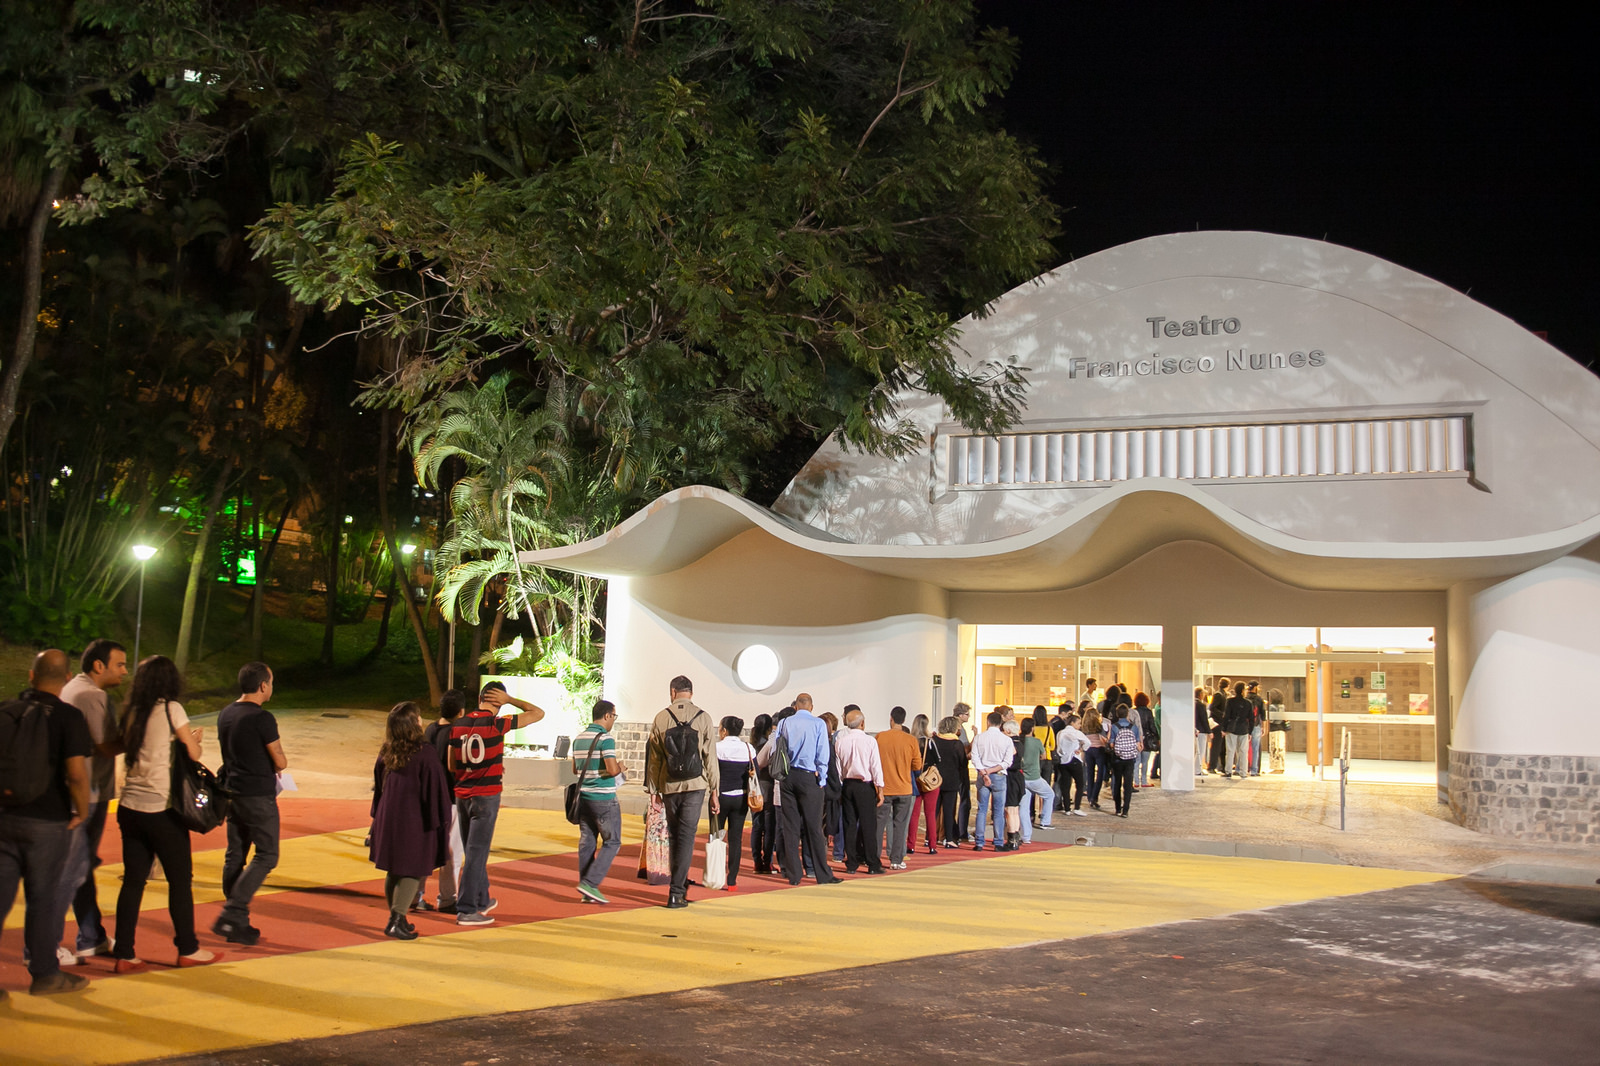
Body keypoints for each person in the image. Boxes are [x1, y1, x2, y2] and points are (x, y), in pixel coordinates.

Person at [111, 654, 222, 973]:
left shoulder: (131, 711)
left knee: (133, 881)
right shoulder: (172, 709)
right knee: (179, 880)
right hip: (161, 808)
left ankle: (124, 953)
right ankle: (187, 948)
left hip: (129, 806)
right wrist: (194, 741)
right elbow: (193, 753)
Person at [0, 650, 93, 997]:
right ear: (67, 678)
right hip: (47, 822)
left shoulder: (6, 711)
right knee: (42, 901)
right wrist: (81, 812)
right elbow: (76, 775)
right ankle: (45, 975)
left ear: (30, 676)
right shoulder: (68, 717)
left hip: (5, 816)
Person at [54, 638, 127, 966]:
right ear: (99, 666)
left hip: (75, 790)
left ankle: (91, 936)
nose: (125, 671)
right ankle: (45, 943)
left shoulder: (72, 689)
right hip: (89, 793)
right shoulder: (93, 696)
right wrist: (143, 736)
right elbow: (104, 745)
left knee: (80, 868)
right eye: (120, 665)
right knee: (73, 869)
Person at [449, 680, 546, 926]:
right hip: (487, 794)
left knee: (472, 850)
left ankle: (481, 899)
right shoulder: (496, 724)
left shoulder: (458, 725)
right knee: (477, 854)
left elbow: (452, 764)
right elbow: (538, 714)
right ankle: (467, 908)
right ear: (497, 701)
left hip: (462, 793)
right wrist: (511, 700)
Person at [214, 661, 287, 946]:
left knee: (236, 853)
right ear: (263, 686)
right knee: (267, 855)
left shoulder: (226, 713)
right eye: (271, 682)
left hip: (233, 792)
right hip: (258, 795)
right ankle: (232, 913)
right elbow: (280, 759)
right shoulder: (262, 718)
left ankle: (237, 921)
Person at [369, 702, 453, 939]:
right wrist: (441, 821)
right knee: (414, 869)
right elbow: (436, 790)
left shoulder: (387, 751)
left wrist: (376, 818)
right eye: (417, 718)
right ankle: (396, 919)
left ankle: (399, 917)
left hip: (388, 816)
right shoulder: (424, 754)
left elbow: (379, 786)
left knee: (394, 870)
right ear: (412, 725)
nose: (420, 721)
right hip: (415, 819)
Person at [646, 676, 719, 907]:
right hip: (695, 786)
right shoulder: (704, 717)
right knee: (687, 838)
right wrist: (715, 790)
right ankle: (677, 892)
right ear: (691, 692)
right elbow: (710, 758)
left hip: (669, 786)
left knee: (675, 837)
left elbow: (655, 758)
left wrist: (653, 790)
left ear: (673, 691)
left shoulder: (661, 717)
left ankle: (678, 887)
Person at [759, 692, 841, 886]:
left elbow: (776, 749)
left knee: (790, 827)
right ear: (811, 707)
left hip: (787, 777)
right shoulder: (818, 724)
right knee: (813, 828)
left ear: (796, 706)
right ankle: (822, 874)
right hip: (808, 777)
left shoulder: (784, 723)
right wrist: (821, 778)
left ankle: (793, 874)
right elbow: (823, 753)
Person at [573, 699, 628, 903]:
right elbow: (612, 770)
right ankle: (590, 883)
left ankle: (586, 887)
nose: (613, 720)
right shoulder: (606, 739)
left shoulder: (578, 738)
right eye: (614, 716)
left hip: (584, 797)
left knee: (587, 842)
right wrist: (620, 768)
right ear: (606, 716)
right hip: (604, 798)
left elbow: (576, 769)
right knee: (612, 841)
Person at [417, 689, 466, 913]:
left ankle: (415, 895)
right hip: (451, 798)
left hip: (428, 798)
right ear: (461, 711)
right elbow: (454, 767)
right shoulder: (456, 733)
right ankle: (448, 898)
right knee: (452, 851)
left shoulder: (430, 729)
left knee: (425, 849)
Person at [835, 707, 884, 874]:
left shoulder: (840, 742)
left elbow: (838, 768)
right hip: (865, 785)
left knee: (849, 825)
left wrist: (841, 786)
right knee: (868, 825)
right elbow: (875, 766)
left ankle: (852, 863)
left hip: (848, 784)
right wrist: (880, 789)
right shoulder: (870, 741)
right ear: (862, 723)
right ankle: (872, 863)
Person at [875, 706, 923, 869]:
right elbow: (917, 765)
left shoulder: (880, 737)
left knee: (879, 825)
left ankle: (874, 858)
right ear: (904, 720)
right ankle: (896, 859)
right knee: (900, 825)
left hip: (884, 788)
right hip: (904, 788)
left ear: (891, 719)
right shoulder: (911, 740)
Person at [713, 715, 753, 891]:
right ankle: (732, 880)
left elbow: (711, 773)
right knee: (736, 839)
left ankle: (715, 875)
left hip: (721, 797)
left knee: (717, 837)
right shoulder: (748, 748)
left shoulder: (717, 748)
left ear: (724, 730)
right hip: (741, 798)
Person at [970, 709, 1012, 850]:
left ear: (988, 722)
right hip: (999, 775)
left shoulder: (979, 738)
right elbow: (1007, 762)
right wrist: (991, 770)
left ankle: (979, 842)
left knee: (982, 809)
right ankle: (998, 841)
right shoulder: (1006, 740)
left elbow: (974, 758)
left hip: (983, 775)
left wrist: (984, 772)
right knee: (998, 810)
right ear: (1001, 724)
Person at [930, 717, 968, 846]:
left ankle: (929, 837)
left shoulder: (934, 740)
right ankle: (949, 839)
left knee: (933, 810)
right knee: (948, 810)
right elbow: (962, 764)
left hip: (935, 780)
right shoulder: (957, 744)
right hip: (952, 780)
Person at [906, 713, 940, 856]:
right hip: (929, 780)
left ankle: (910, 845)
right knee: (930, 814)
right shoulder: (929, 742)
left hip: (914, 779)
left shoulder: (910, 741)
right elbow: (938, 759)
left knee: (914, 814)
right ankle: (932, 845)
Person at [747, 713, 777, 874]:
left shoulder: (751, 745)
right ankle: (768, 862)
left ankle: (757, 861)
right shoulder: (770, 744)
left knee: (757, 827)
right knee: (769, 827)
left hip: (755, 789)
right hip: (768, 788)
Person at [1107, 698, 1141, 817]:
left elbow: (1111, 743)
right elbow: (1138, 744)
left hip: (1117, 758)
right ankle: (1125, 810)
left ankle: (1117, 808)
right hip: (1130, 759)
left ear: (1117, 714)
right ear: (1128, 713)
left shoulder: (1114, 727)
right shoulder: (1133, 727)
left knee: (1117, 783)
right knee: (1127, 784)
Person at [1020, 712, 1053, 835]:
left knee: (1024, 807)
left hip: (1022, 778)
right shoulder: (1037, 742)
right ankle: (1045, 821)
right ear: (1032, 728)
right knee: (1049, 795)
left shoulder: (1019, 741)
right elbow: (1043, 756)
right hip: (1034, 777)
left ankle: (1026, 835)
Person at [1057, 712, 1090, 816]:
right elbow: (1088, 742)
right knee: (1080, 784)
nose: (1079, 726)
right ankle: (1077, 807)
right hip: (1074, 759)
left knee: (1065, 785)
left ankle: (1067, 808)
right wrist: (1081, 749)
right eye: (1078, 723)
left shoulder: (1060, 733)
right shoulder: (1076, 733)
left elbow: (1058, 747)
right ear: (1072, 723)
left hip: (1063, 760)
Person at [951, 703, 974, 843]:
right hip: (960, 768)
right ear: (961, 715)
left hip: (951, 768)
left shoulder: (950, 725)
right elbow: (965, 749)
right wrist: (976, 738)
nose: (968, 716)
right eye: (967, 714)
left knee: (950, 800)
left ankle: (951, 830)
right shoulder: (960, 729)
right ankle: (961, 831)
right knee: (965, 799)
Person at [1001, 719, 1025, 849]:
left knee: (1009, 809)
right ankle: (1016, 835)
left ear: (1008, 731)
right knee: (1015, 809)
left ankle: (1012, 840)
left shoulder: (1010, 743)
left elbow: (1009, 761)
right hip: (1018, 777)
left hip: (1011, 777)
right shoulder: (1020, 742)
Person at [1082, 704, 1110, 811]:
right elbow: (1105, 739)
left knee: (1090, 773)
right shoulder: (1100, 726)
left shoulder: (1084, 726)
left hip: (1089, 750)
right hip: (1099, 750)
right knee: (1100, 773)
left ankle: (1090, 797)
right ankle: (1094, 796)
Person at [1224, 681, 1253, 779]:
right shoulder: (1248, 703)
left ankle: (1228, 771)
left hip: (1232, 728)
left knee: (1230, 751)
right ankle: (1243, 772)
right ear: (1242, 690)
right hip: (1244, 729)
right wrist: (1250, 731)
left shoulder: (1230, 701)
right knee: (1243, 752)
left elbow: (1226, 715)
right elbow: (1251, 718)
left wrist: (1224, 728)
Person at [1134, 692, 1158, 788]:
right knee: (1145, 761)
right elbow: (1152, 725)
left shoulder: (1133, 711)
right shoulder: (1148, 712)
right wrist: (1156, 736)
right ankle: (1144, 781)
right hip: (1147, 739)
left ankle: (1135, 781)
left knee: (1136, 761)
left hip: (1136, 738)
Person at [1208, 678, 1231, 774]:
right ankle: (1212, 766)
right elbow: (1212, 707)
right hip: (1217, 724)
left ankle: (1222, 766)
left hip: (1221, 723)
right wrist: (1222, 714)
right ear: (1227, 685)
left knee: (1221, 746)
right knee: (1216, 746)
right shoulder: (1219, 695)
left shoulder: (1223, 695)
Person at [1267, 689, 1289, 774]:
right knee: (1280, 749)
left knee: (1274, 748)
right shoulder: (1282, 706)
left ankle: (1276, 768)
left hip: (1274, 729)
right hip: (1282, 729)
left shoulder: (1272, 707)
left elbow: (1271, 720)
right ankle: (1281, 767)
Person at [1247, 681, 1266, 776]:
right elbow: (1263, 714)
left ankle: (1241, 768)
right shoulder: (1259, 699)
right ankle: (1254, 770)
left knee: (1242, 748)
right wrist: (1264, 727)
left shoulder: (1245, 698)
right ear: (1255, 688)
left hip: (1245, 726)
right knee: (1255, 748)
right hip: (1256, 725)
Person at [1194, 687, 1211, 777]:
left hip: (1193, 730)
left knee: (1194, 751)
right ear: (1200, 694)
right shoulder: (1201, 705)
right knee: (1200, 750)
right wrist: (1209, 731)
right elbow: (1204, 720)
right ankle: (1197, 769)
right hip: (1201, 731)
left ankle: (1194, 768)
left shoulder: (1191, 704)